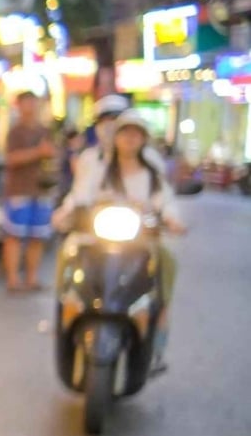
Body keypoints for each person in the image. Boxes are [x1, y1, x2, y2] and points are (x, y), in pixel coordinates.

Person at [53, 108, 185, 365]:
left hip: (140, 238)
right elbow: (80, 194)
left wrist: (171, 219)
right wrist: (64, 212)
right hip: (98, 235)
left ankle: (160, 319)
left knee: (167, 260)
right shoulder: (99, 164)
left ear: (144, 138)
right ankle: (65, 307)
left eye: (136, 134)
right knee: (68, 250)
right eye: (125, 133)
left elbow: (165, 200)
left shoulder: (152, 168)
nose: (130, 139)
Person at [1, 90, 57, 292]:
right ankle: (13, 279)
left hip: (41, 191)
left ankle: (32, 278)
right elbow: (10, 159)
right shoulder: (15, 132)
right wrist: (37, 153)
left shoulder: (45, 131)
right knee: (14, 235)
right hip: (19, 190)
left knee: (37, 236)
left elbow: (53, 155)